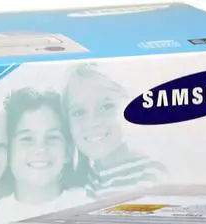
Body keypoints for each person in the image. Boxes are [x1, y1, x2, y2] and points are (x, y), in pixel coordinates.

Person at [61, 64, 167, 199]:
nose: (93, 122)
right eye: (79, 112)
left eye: (107, 106)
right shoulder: (84, 184)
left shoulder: (151, 174)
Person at [5, 88, 70, 204]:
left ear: (68, 151)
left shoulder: (90, 202)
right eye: (27, 138)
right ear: (8, 150)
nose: (40, 149)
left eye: (52, 137)